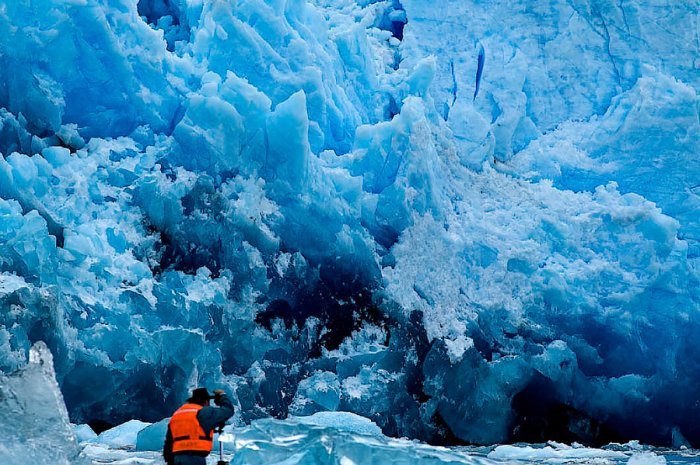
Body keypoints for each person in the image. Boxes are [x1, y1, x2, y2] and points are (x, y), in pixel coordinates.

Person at [163, 387, 235, 465]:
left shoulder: (178, 414)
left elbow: (169, 443)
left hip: (177, 458)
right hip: (194, 457)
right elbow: (228, 411)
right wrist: (222, 396)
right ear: (205, 401)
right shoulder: (203, 412)